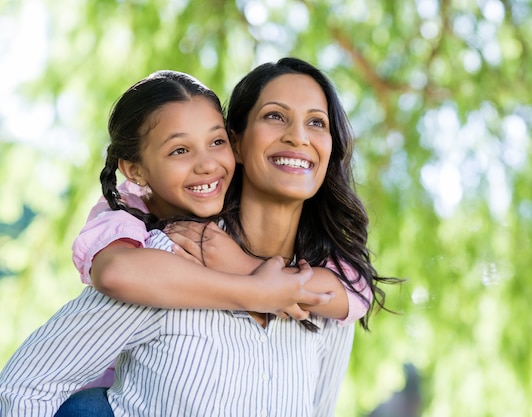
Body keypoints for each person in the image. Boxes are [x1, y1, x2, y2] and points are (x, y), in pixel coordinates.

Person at [0, 58, 390, 416]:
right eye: (275, 116)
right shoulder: (168, 257)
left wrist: (249, 271)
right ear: (238, 141)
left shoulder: (327, 298)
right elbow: (25, 387)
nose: (298, 137)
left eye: (317, 122)